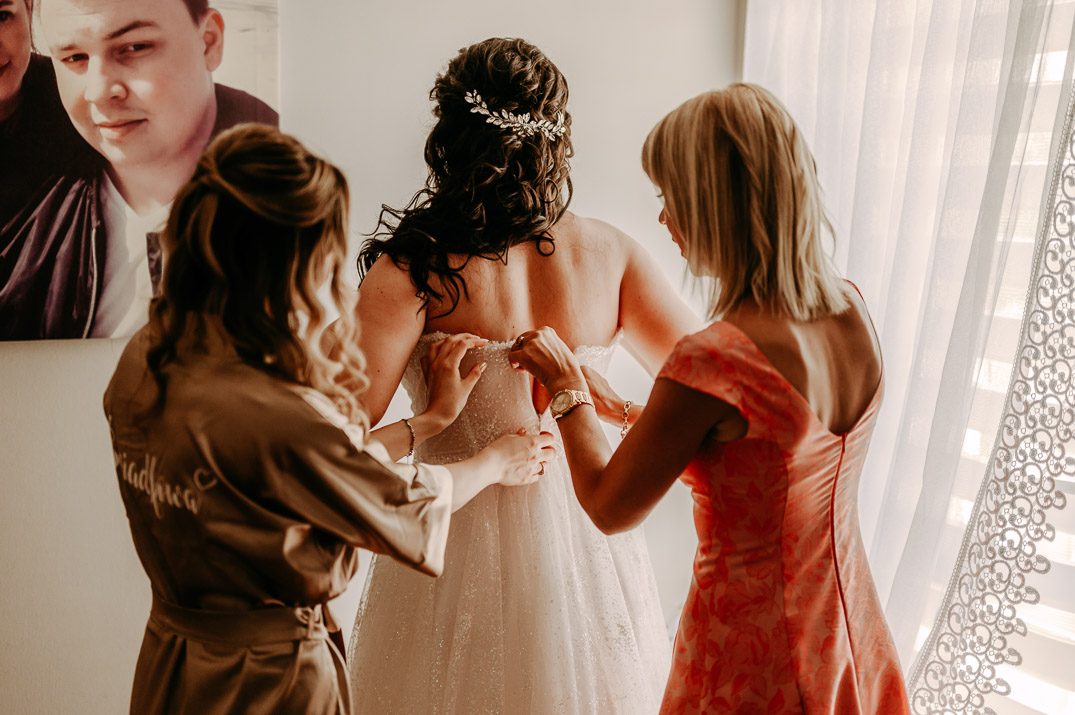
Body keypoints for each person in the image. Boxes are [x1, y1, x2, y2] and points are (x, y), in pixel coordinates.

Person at [103, 124, 555, 715]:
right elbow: (400, 504)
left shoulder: (150, 358)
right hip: (265, 681)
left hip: (174, 658)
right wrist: (495, 461)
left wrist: (428, 421)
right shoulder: (273, 409)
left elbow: (296, 474)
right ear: (291, 263)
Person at [510, 84, 912, 714]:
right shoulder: (850, 307)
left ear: (715, 203)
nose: (662, 220)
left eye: (669, 197)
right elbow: (764, 459)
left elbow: (610, 506)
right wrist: (621, 412)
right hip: (847, 628)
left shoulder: (716, 357)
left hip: (754, 655)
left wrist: (566, 388)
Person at [346, 37, 702, 714]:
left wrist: (428, 423)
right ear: (556, 141)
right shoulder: (612, 254)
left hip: (447, 547)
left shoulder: (413, 269)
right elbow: (716, 392)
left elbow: (333, 446)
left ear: (449, 137)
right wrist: (613, 409)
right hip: (588, 557)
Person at [0, 0, 277, 340]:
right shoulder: (48, 181)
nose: (99, 91)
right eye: (75, 57)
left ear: (209, 41)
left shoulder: (284, 192)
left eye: (135, 47)